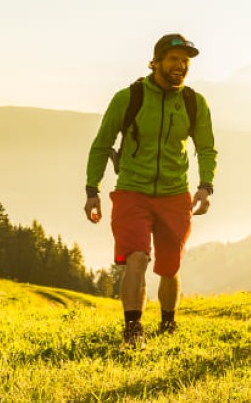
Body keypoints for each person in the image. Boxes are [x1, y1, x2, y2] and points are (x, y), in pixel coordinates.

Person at [85, 33, 217, 345]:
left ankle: (168, 323)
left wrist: (205, 186)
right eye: (173, 59)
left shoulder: (194, 103)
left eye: (185, 61)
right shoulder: (129, 98)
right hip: (132, 191)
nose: (180, 65)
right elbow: (102, 144)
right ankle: (133, 328)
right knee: (137, 257)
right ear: (156, 62)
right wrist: (92, 190)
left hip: (175, 193)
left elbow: (206, 148)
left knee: (170, 267)